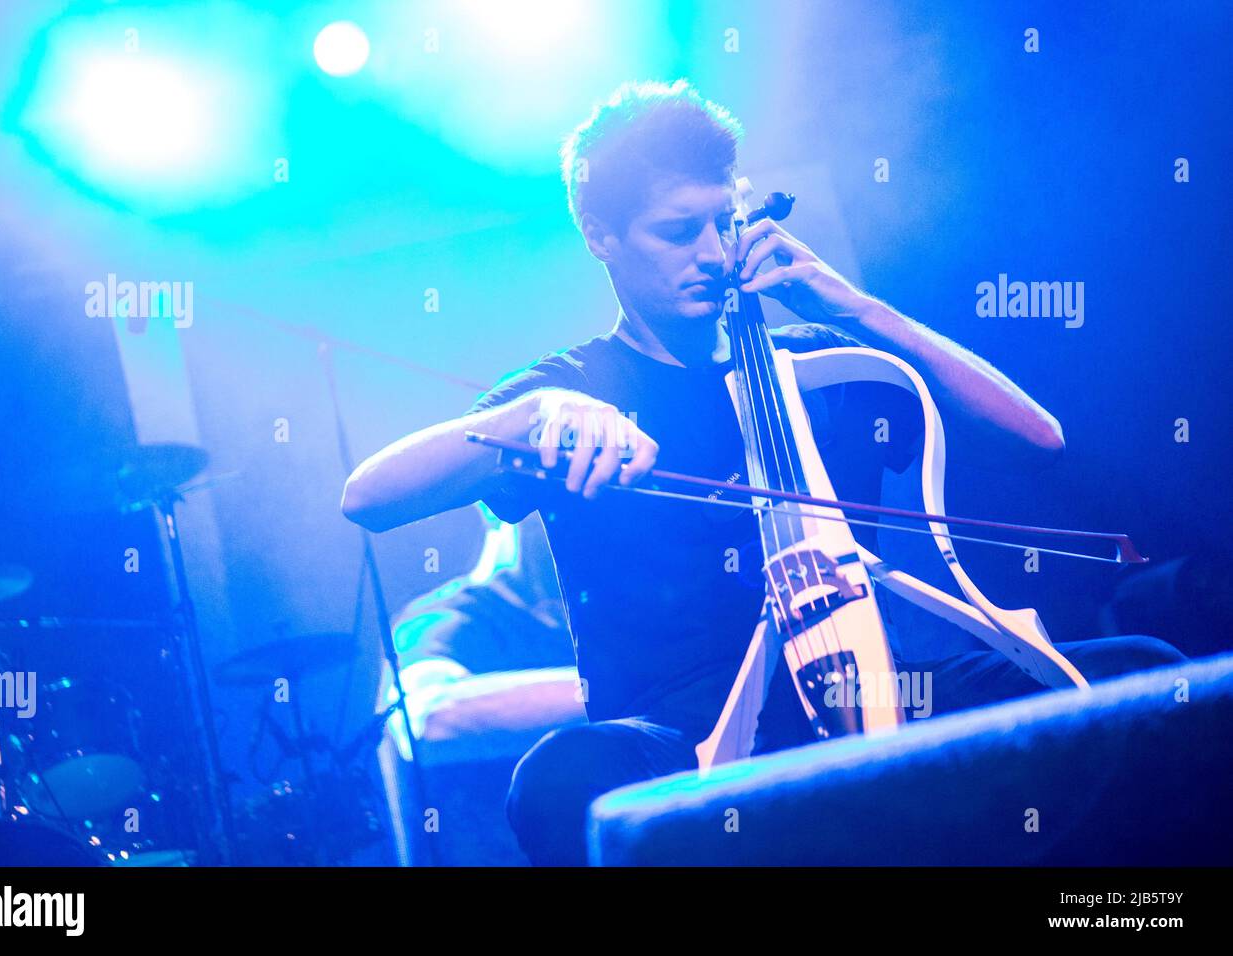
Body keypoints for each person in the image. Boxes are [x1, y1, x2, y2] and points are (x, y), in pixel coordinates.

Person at [342, 79, 1183, 865]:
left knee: (1142, 677)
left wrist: (854, 308)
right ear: (600, 235)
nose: (712, 253)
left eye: (723, 220)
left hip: (879, 690)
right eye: (678, 231)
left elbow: (1036, 436)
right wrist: (521, 421)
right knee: (559, 780)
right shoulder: (572, 390)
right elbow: (368, 498)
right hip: (682, 731)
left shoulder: (815, 364)